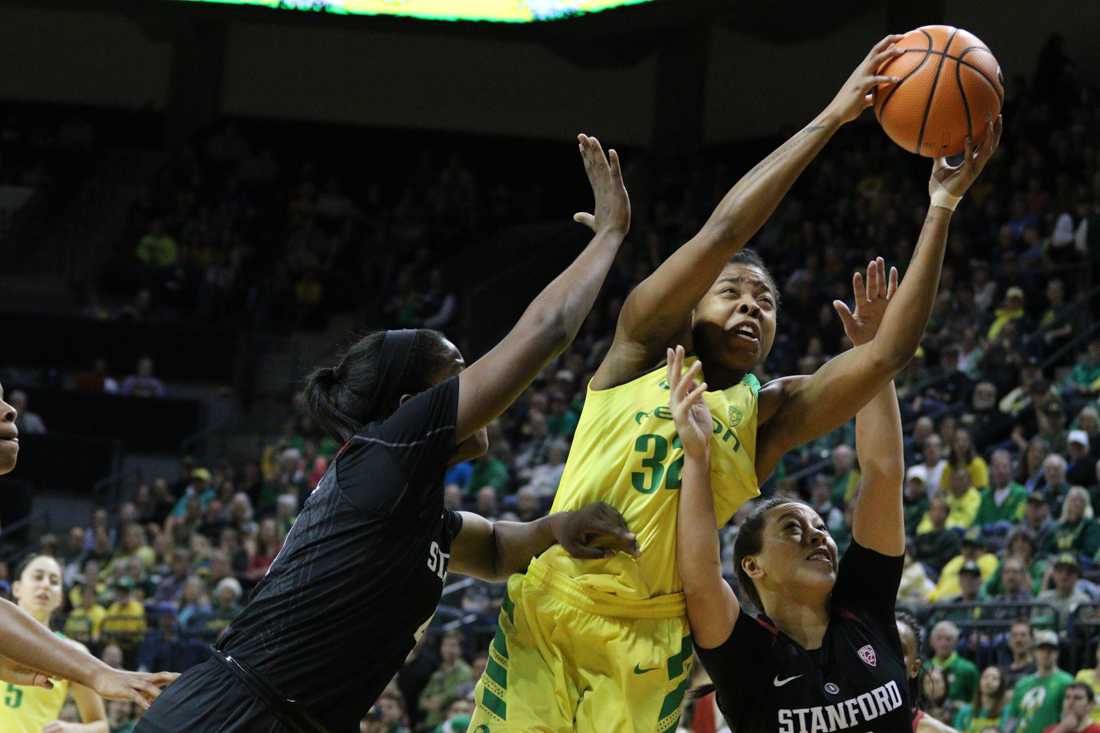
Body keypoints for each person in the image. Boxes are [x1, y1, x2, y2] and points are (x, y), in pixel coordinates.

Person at [470, 37, 1002, 731]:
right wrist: (833, 118)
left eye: (767, 300)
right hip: (555, 605)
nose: (752, 304)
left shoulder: (766, 416)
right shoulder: (636, 346)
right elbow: (726, 229)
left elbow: (887, 355)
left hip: (656, 638)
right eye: (734, 292)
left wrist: (941, 206)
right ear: (691, 306)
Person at [136, 135, 641, 733]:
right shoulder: (387, 449)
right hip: (235, 715)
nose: (475, 384)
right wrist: (609, 234)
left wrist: (555, 528)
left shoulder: (403, 503)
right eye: (457, 375)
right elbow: (547, 329)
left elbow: (500, 548)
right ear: (412, 405)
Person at [670, 270, 909, 729]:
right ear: (752, 566)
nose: (817, 538)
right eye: (793, 530)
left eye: (819, 528)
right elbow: (698, 574)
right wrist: (697, 457)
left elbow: (881, 472)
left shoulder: (866, 605)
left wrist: (874, 355)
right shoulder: (745, 653)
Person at [0, 383, 177, 709]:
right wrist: (98, 672)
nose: (9, 410)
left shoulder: (63, 651)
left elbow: (97, 724)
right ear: (16, 588)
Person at [0, 554, 109, 733]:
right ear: (17, 588)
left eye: (54, 581)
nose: (45, 584)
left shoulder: (73, 652)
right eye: (38, 576)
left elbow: (101, 726)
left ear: (60, 598)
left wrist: (73, 729)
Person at [1004, 630, 1074, 733]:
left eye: (1051, 650)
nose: (1046, 653)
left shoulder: (1066, 681)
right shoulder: (1022, 684)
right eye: (1042, 649)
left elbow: (1070, 718)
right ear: (1034, 652)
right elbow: (1012, 718)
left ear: (1057, 653)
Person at [953, 665, 1009, 733]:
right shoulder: (965, 711)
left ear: (1001, 685)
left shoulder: (1007, 711)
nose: (989, 681)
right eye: (985, 677)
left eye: (994, 678)